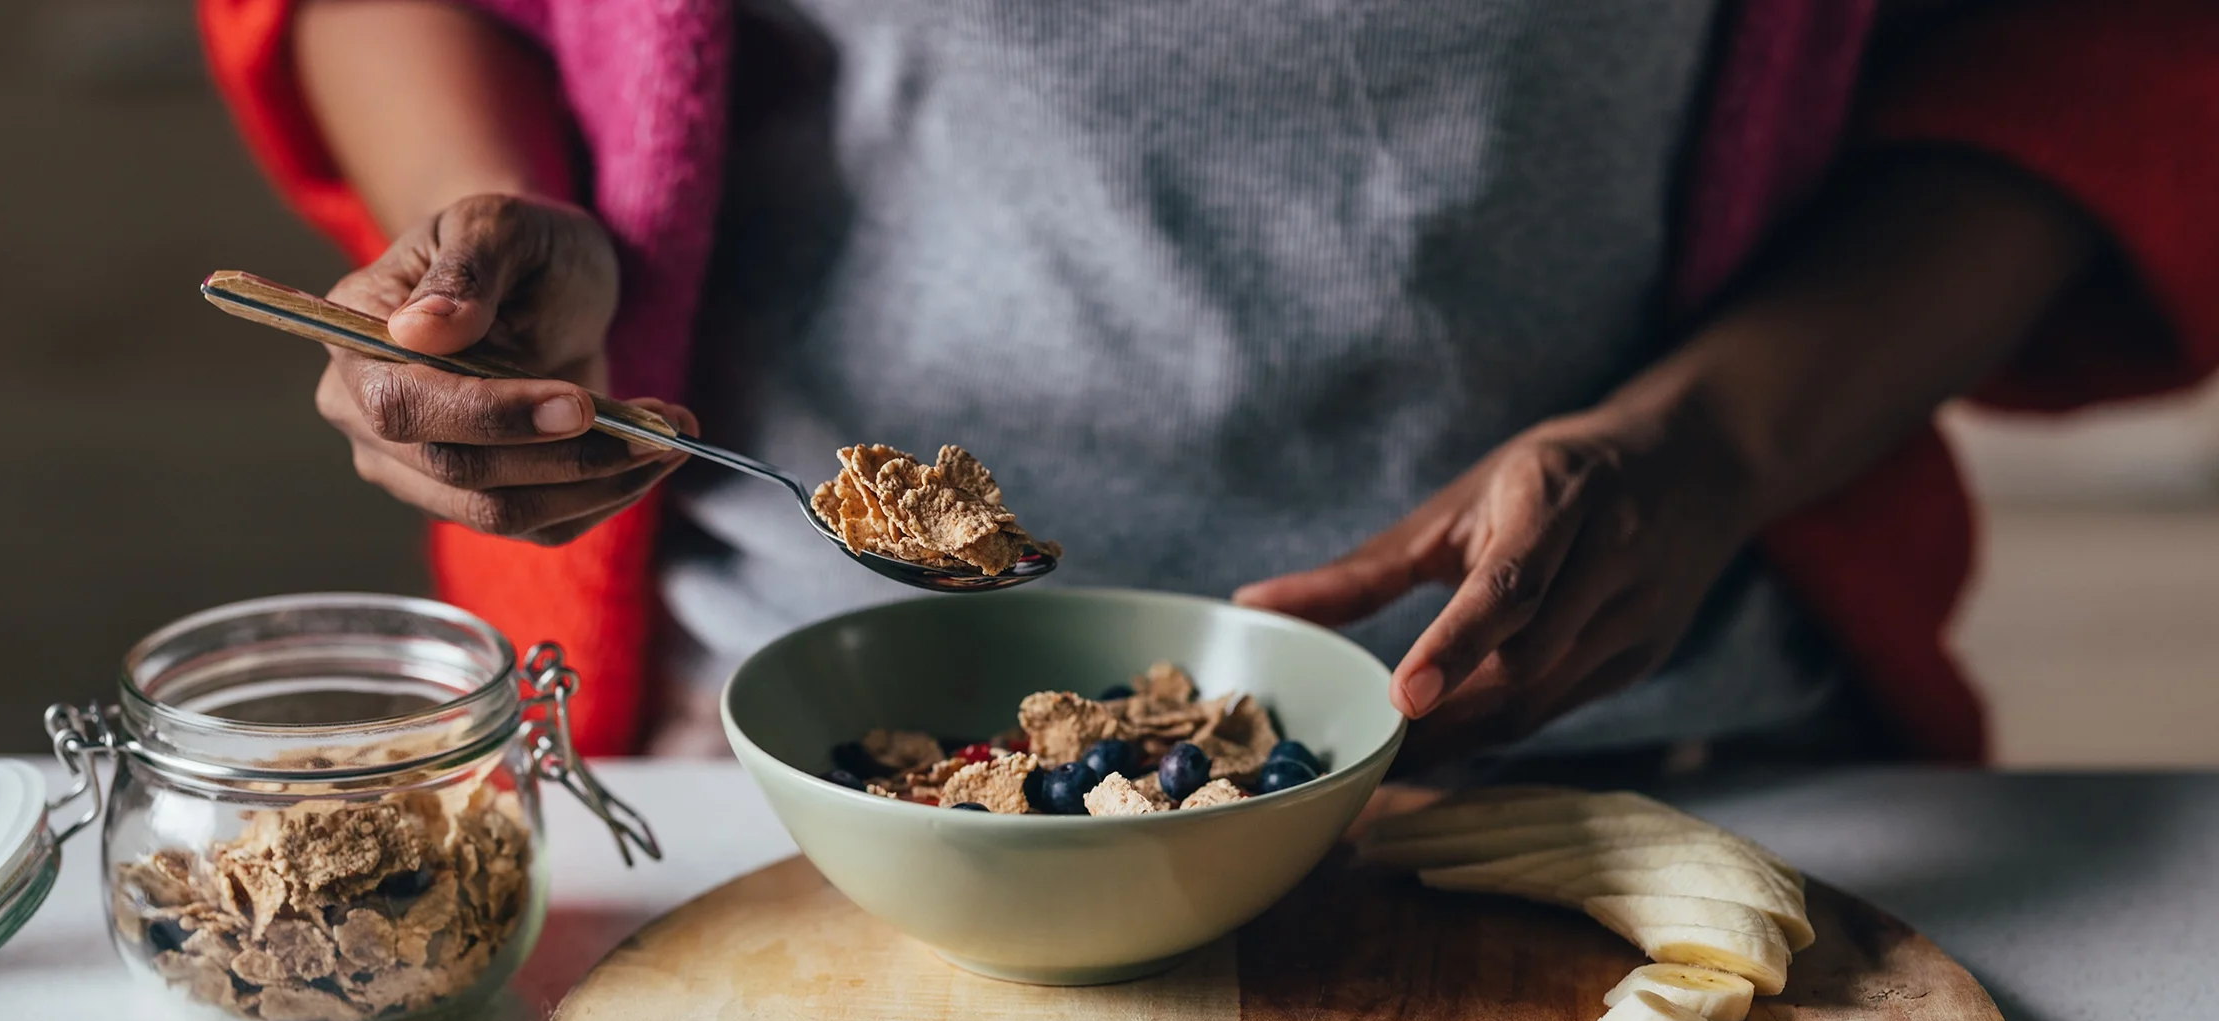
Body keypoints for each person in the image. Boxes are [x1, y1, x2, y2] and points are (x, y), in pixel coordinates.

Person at [202, 0, 2219, 768]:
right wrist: (495, 228)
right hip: (777, 755)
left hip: (1649, 739)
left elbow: (2098, 50)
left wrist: (1712, 444)